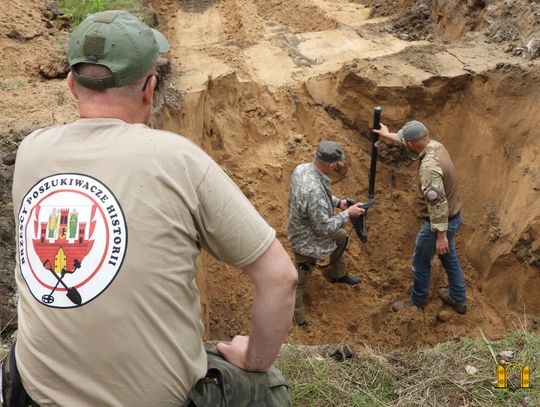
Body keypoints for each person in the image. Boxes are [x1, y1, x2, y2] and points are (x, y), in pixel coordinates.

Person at [3, 10, 297, 406]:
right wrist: (253, 357)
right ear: (150, 87)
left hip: (37, 394)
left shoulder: (31, 150)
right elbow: (280, 277)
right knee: (269, 388)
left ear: (72, 85)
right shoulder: (176, 159)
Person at [374, 120, 467, 314]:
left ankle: (418, 300)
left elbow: (437, 204)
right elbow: (407, 140)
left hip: (439, 224)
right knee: (450, 259)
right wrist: (388, 134)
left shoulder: (429, 169)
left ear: (411, 144)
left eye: (405, 142)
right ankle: (458, 299)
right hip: (454, 216)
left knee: (420, 262)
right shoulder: (436, 146)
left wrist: (440, 236)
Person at [287, 140, 366, 327]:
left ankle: (338, 275)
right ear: (331, 165)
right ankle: (298, 320)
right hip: (306, 241)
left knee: (341, 237)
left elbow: (321, 195)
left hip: (303, 226)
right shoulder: (313, 190)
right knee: (298, 281)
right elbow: (323, 228)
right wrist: (348, 214)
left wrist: (339, 203)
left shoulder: (303, 169)